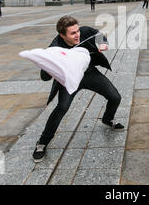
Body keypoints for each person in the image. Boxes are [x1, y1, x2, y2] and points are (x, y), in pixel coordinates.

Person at [32, 16, 124, 163]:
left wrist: (102, 44)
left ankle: (107, 119)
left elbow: (100, 36)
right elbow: (45, 77)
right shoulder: (54, 48)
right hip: (69, 80)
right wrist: (48, 66)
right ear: (62, 35)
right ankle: (42, 143)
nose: (77, 35)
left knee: (115, 97)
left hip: (89, 73)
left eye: (77, 30)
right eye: (72, 33)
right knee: (61, 108)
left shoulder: (85, 31)